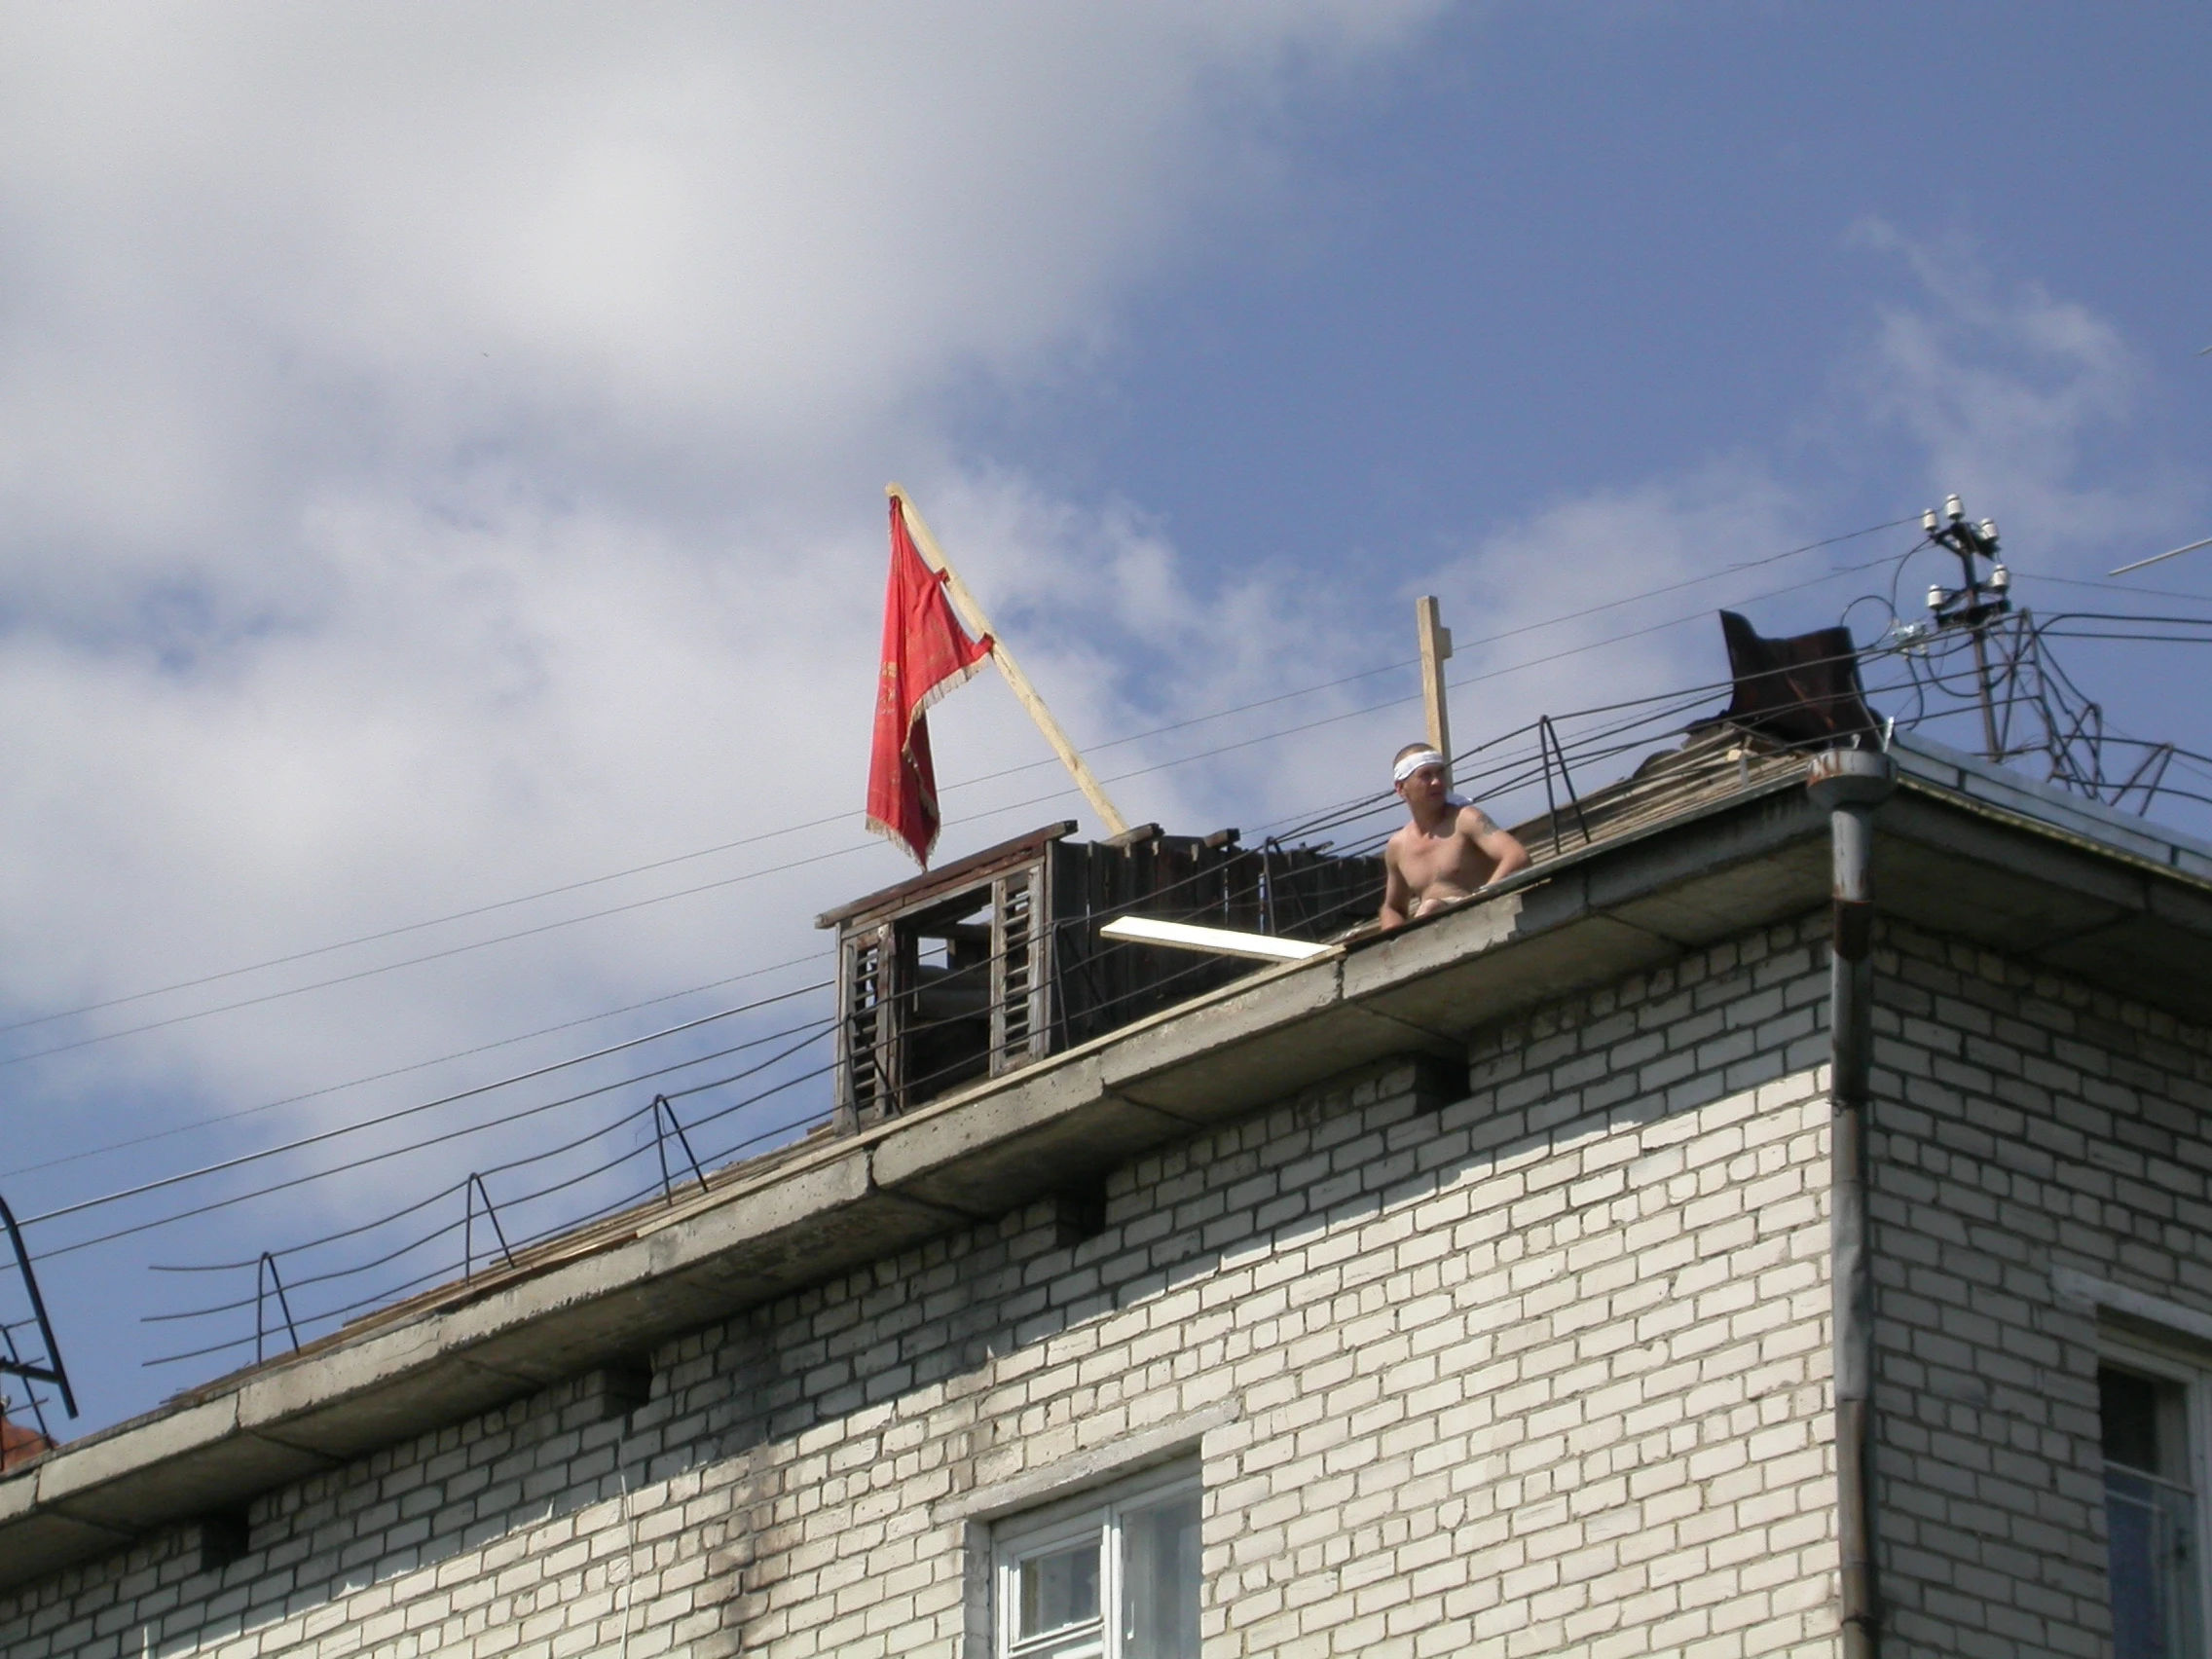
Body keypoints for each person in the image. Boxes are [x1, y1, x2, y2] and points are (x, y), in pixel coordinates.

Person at [1379, 742, 1530, 930]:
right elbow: (1392, 908)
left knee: (1431, 906)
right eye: (1426, 775)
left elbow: (1517, 857)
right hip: (1433, 937)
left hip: (1483, 926)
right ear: (1401, 788)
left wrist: (1477, 902)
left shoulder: (1465, 819)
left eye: (1440, 773)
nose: (1437, 781)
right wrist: (1393, 938)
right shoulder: (1398, 847)